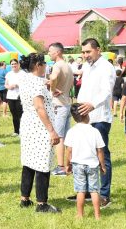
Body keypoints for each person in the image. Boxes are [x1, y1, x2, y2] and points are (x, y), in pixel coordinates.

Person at [74, 38, 115, 208]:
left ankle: (104, 194)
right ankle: (86, 191)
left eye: (88, 51)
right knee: (84, 155)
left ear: (98, 50)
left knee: (102, 155)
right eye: (83, 52)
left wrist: (92, 104)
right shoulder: (87, 66)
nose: (85, 55)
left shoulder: (106, 67)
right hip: (85, 118)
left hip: (99, 118)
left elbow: (106, 91)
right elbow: (85, 89)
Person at [18, 53, 60, 213]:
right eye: (44, 64)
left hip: (28, 125)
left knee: (29, 162)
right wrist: (51, 130)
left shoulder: (26, 79)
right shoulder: (37, 83)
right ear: (38, 65)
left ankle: (25, 199)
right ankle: (42, 203)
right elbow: (39, 107)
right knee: (43, 163)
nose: (46, 66)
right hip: (39, 127)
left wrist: (50, 93)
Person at [64, 104, 106, 220]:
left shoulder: (71, 131)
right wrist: (102, 165)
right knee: (94, 191)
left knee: (80, 191)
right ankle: (97, 215)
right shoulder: (95, 131)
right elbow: (100, 151)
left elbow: (69, 151)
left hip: (78, 165)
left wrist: (67, 165)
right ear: (87, 115)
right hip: (93, 165)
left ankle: (80, 214)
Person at [47, 42, 74, 177]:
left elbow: (53, 77)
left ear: (57, 52)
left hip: (59, 104)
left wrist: (52, 90)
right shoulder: (67, 65)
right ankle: (69, 165)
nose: (48, 53)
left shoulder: (57, 65)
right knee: (68, 137)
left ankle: (61, 167)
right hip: (67, 103)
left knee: (59, 136)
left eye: (50, 51)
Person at [5, 59, 23, 136]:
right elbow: (5, 85)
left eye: (15, 63)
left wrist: (18, 85)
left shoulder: (23, 73)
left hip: (20, 96)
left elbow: (26, 84)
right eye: (12, 64)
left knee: (21, 114)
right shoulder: (9, 74)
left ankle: (22, 130)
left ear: (18, 64)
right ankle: (16, 131)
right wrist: (9, 87)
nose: (14, 65)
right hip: (10, 96)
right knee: (14, 114)